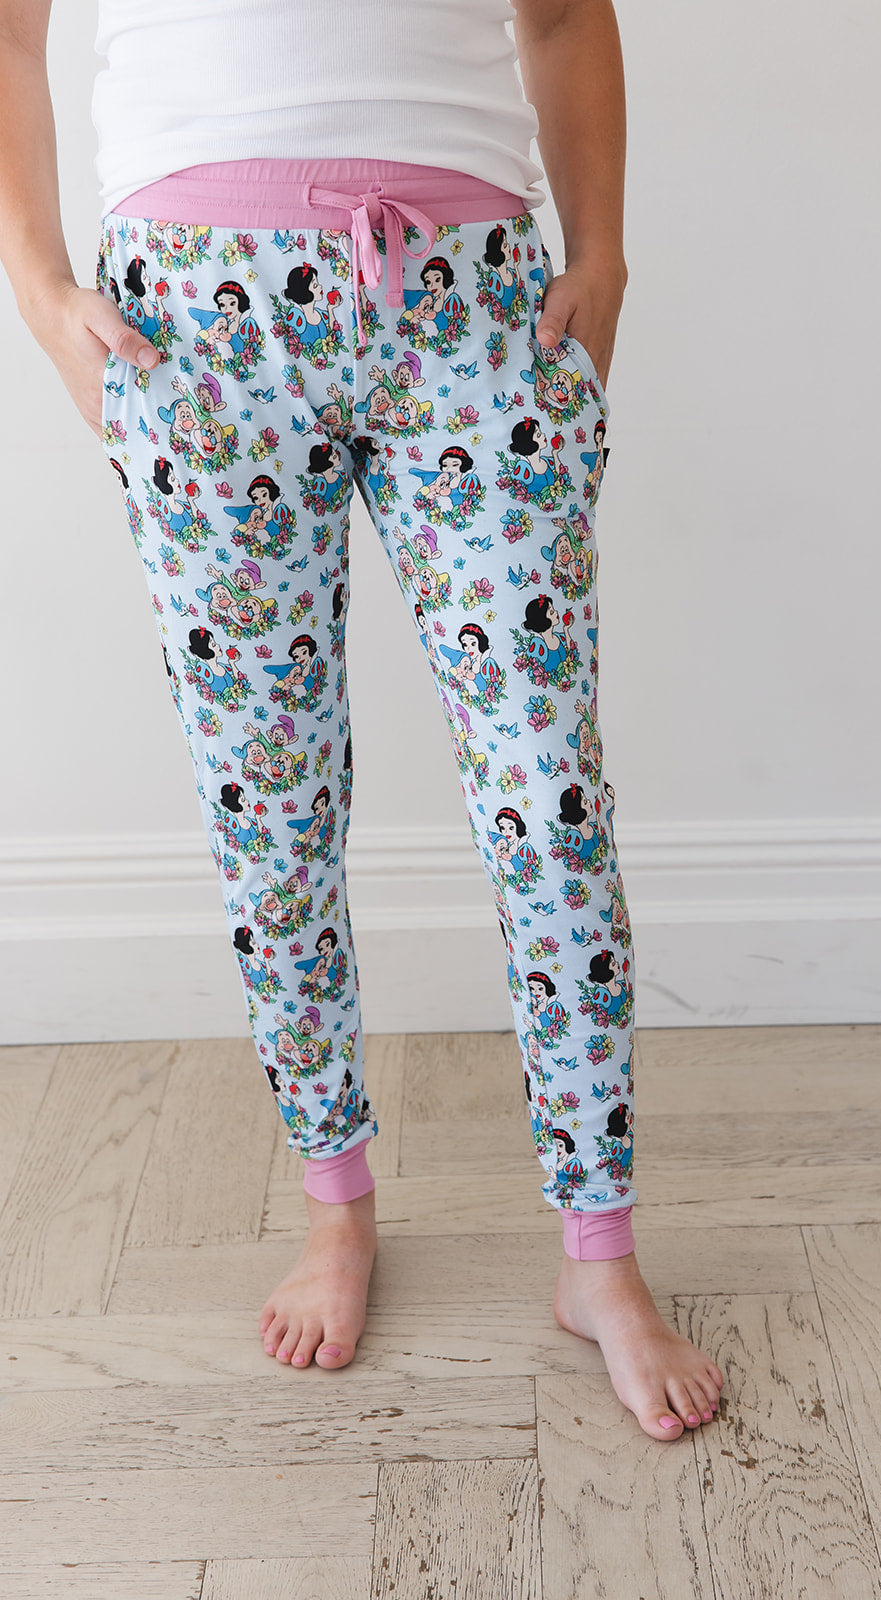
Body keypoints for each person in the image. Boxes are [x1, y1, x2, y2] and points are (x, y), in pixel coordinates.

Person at [0, 0, 722, 1441]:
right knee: (268, 801)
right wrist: (39, 286)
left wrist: (603, 258)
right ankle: (335, 1203)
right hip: (191, 323)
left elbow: (561, 12)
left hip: (474, 301)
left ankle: (600, 1252)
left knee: (548, 800)